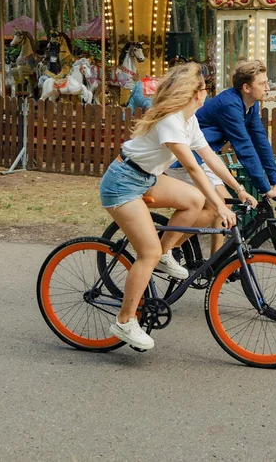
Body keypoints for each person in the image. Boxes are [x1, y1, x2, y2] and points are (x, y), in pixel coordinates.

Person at [99, 62, 256, 351]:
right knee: (147, 252)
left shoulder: (189, 119)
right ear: (195, 93)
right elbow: (193, 169)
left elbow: (209, 157)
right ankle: (124, 321)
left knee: (196, 200)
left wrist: (238, 189)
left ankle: (166, 251)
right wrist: (220, 206)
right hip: (122, 183)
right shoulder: (171, 120)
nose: (208, 93)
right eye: (206, 89)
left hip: (145, 178)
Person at [167, 59, 276, 254]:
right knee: (214, 208)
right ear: (246, 87)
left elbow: (259, 140)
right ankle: (168, 248)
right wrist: (265, 189)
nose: (268, 87)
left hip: (205, 156)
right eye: (262, 83)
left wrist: (275, 181)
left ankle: (214, 265)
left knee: (225, 209)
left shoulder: (250, 105)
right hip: (185, 158)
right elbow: (245, 147)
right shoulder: (230, 105)